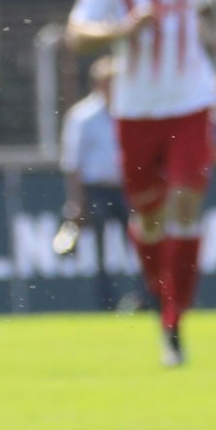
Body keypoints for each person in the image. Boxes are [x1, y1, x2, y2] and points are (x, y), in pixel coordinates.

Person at [65, 0, 216, 368]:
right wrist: (122, 29)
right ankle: (165, 300)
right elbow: (77, 35)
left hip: (191, 102)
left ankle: (174, 318)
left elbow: (209, 7)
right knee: (150, 218)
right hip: (136, 110)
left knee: (185, 202)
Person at [58, 56, 133, 313]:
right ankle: (106, 302)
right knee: (100, 252)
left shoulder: (130, 110)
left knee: (140, 245)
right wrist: (76, 201)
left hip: (127, 188)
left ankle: (144, 298)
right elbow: (72, 162)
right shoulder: (82, 116)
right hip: (97, 189)